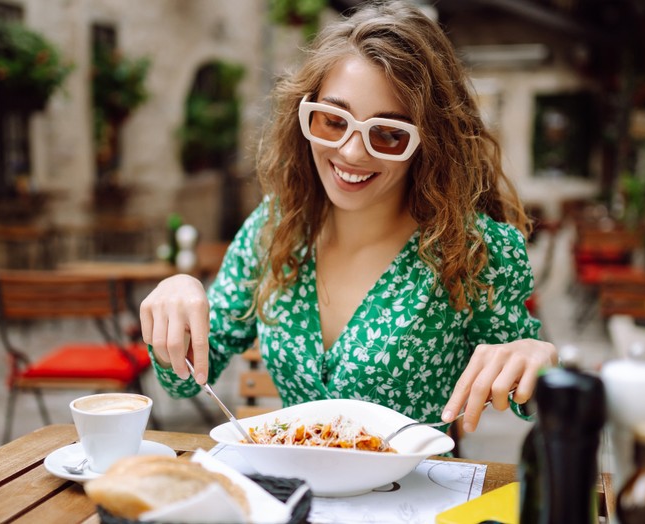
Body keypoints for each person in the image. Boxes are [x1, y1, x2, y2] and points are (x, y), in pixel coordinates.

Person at [140, 0, 557, 434]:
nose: (352, 152)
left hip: (413, 498)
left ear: (430, 143)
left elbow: (528, 398)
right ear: (306, 115)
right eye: (333, 121)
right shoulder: (274, 229)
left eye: (389, 134)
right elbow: (183, 380)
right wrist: (178, 293)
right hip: (293, 496)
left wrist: (539, 361)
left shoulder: (473, 250)